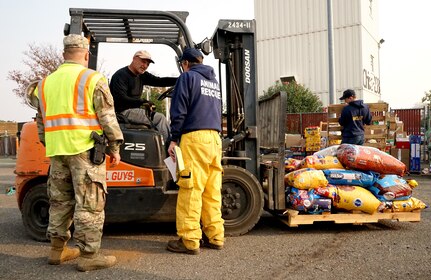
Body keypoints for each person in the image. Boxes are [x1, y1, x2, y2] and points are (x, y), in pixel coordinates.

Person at [31, 34, 124, 272]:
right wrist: (114, 147)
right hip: (85, 148)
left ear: (64, 55)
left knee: (60, 201)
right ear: (86, 54)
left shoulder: (44, 84)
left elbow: (41, 123)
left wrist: (52, 142)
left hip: (57, 149)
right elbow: (108, 117)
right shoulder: (92, 78)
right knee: (90, 203)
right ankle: (89, 255)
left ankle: (57, 250)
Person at [166, 48, 224, 255]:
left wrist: (174, 139)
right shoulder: (213, 83)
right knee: (211, 190)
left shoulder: (187, 77)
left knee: (191, 189)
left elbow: (179, 110)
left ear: (185, 63)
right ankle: (216, 236)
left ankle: (189, 240)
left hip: (195, 139)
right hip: (215, 139)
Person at [109, 50, 177, 144]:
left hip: (133, 110)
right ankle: (168, 149)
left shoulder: (141, 75)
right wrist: (142, 101)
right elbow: (121, 99)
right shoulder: (121, 75)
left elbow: (159, 81)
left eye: (147, 64)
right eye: (143, 62)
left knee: (156, 122)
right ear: (134, 59)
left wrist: (180, 79)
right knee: (160, 118)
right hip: (122, 111)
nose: (145, 66)